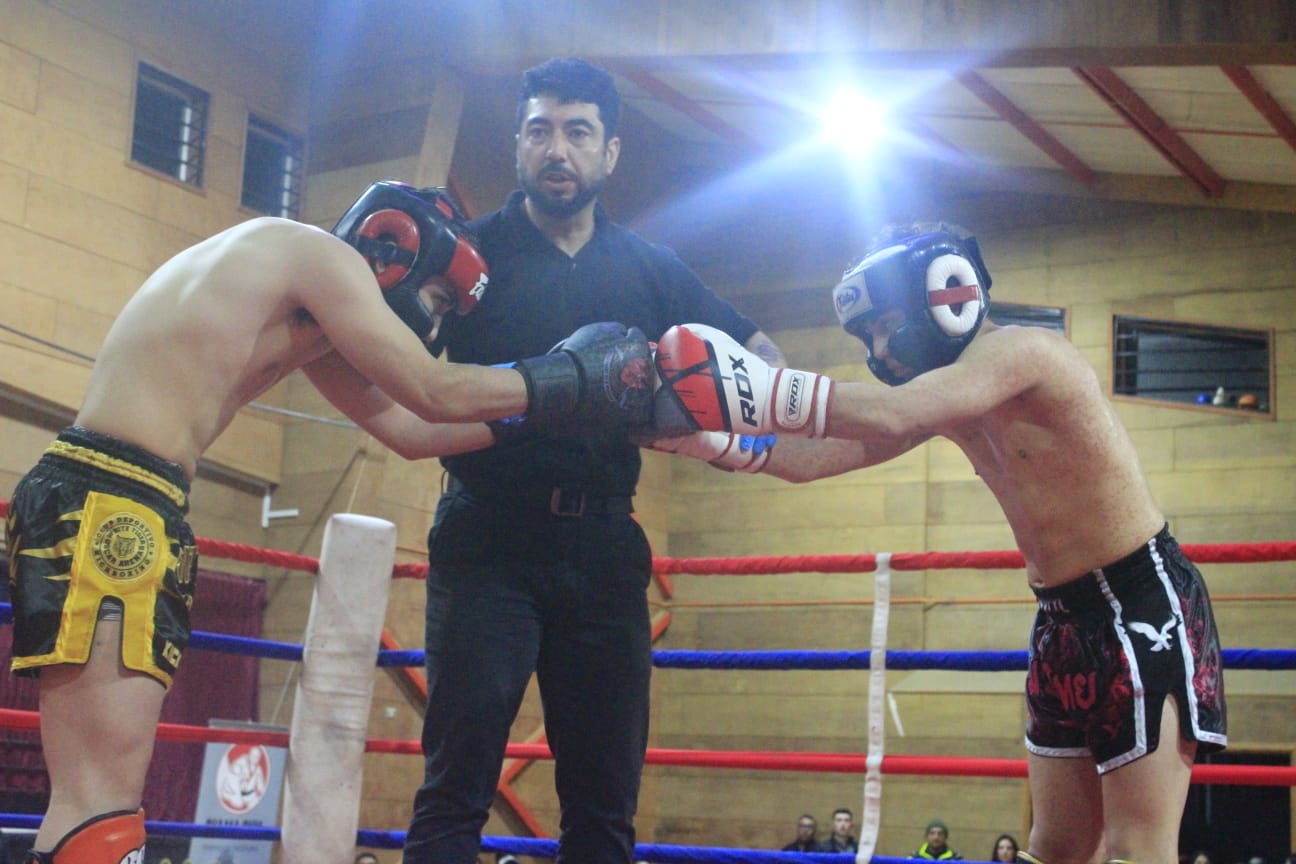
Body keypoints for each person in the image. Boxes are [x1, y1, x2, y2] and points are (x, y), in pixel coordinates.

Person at [3, 182, 653, 864]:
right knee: (98, 803)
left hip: (116, 494)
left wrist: (555, 410)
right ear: (399, 246)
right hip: (112, 497)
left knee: (95, 798)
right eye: (435, 299)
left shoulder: (302, 302)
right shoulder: (317, 256)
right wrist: (574, 378)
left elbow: (411, 430)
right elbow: (435, 391)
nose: (428, 321)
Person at [655, 222, 1228, 864]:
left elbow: (891, 413)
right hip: (1062, 618)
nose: (878, 347)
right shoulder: (948, 399)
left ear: (947, 292)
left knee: (1137, 852)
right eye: (865, 334)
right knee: (1057, 849)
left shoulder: (1027, 353)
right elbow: (815, 456)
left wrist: (756, 389)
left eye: (884, 323)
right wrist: (702, 438)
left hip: (1141, 603)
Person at [400, 57, 786, 864]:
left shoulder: (649, 268)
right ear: (517, 145)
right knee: (454, 796)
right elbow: (401, 371)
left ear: (609, 153)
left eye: (578, 133)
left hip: (606, 553)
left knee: (604, 812)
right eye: (539, 130)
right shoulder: (468, 256)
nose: (557, 150)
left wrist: (743, 414)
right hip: (487, 545)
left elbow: (756, 345)